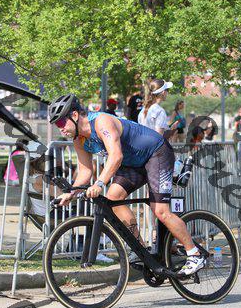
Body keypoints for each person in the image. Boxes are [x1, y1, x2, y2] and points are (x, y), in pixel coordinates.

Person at [49, 93, 205, 276]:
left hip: (156, 153)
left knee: (160, 211)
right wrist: (70, 192)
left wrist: (99, 183)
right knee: (113, 198)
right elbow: (85, 171)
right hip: (133, 164)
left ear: (75, 115)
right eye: (57, 125)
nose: (61, 128)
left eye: (61, 122)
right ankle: (141, 250)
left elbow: (116, 156)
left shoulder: (101, 122)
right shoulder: (79, 140)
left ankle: (194, 254)